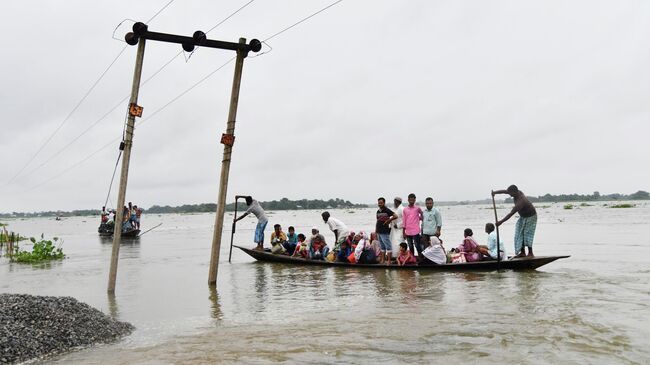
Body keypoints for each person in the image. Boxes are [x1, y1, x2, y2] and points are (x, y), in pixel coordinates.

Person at [492, 185, 537, 257]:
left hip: (531, 217)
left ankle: (530, 253)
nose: (509, 195)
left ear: (514, 192)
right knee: (519, 233)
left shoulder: (521, 201)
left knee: (527, 234)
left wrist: (500, 222)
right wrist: (495, 192)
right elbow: (504, 191)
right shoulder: (515, 192)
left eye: (510, 193)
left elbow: (510, 214)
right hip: (523, 217)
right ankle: (522, 253)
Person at [375, 197, 398, 265]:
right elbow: (377, 221)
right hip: (379, 231)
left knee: (388, 246)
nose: (380, 204)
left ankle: (389, 261)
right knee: (382, 246)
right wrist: (376, 230)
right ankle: (382, 260)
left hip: (385, 231)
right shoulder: (378, 211)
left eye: (381, 203)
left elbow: (396, 216)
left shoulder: (387, 210)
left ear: (384, 203)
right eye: (379, 203)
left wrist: (389, 220)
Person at [402, 193, 423, 257]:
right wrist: (403, 232)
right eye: (410, 200)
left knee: (417, 245)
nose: (411, 201)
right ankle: (412, 258)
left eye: (413, 200)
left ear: (415, 200)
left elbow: (422, 215)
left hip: (415, 231)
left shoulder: (417, 208)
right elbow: (404, 220)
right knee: (410, 246)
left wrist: (419, 218)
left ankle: (420, 258)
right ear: (408, 200)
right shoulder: (405, 209)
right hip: (408, 231)